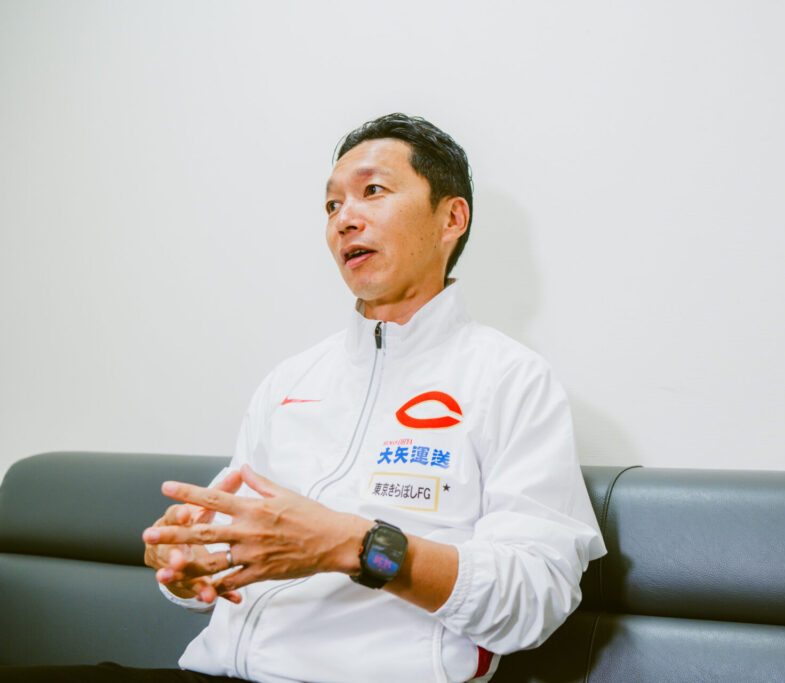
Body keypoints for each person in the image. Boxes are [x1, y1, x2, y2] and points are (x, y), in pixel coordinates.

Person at [134, 113, 605, 682]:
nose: (344, 219)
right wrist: (190, 565)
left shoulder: (511, 379)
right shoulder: (290, 381)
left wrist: (356, 546)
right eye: (332, 205)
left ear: (451, 218)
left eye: (373, 191)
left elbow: (534, 597)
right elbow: (222, 557)